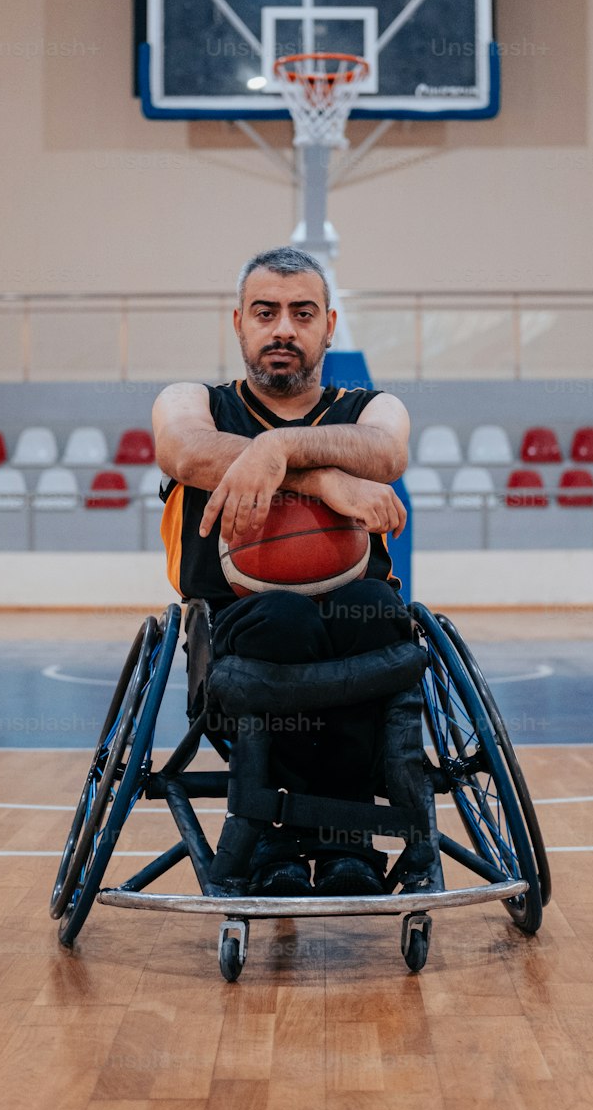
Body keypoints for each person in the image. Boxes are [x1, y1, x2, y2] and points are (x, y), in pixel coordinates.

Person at [152, 245, 412, 896]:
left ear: (329, 325)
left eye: (302, 313)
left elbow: (386, 453)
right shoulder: (196, 403)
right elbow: (185, 450)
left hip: (356, 629)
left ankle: (348, 844)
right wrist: (325, 479)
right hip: (236, 633)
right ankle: (278, 838)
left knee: (380, 610)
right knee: (286, 614)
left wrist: (282, 447)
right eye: (265, 313)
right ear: (238, 323)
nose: (283, 329)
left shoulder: (371, 408)